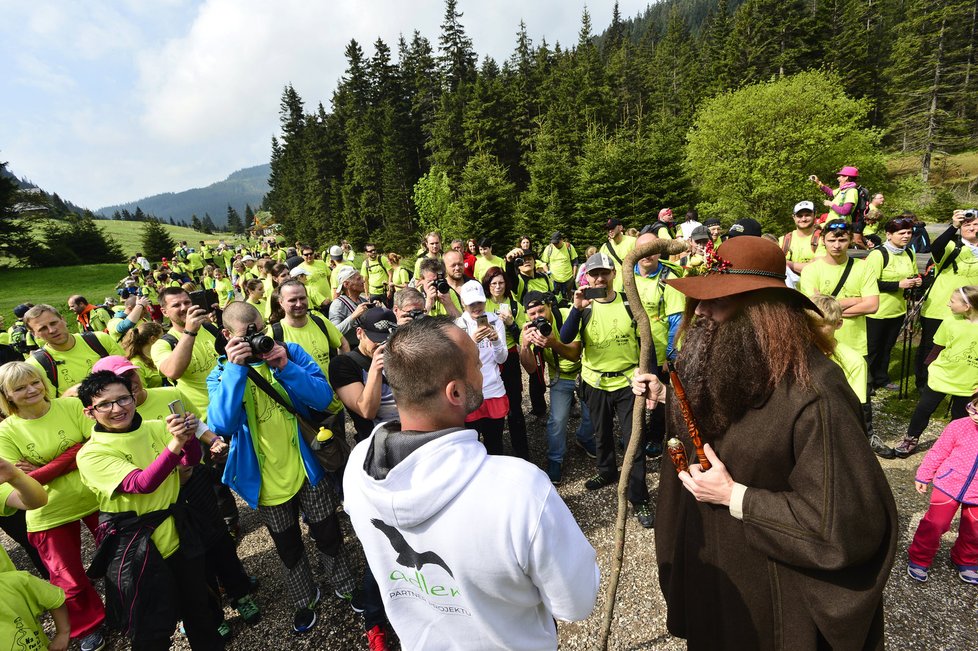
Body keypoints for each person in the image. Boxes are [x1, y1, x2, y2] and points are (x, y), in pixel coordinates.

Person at [636, 235, 897, 650]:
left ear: (762, 312)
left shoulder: (816, 394)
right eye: (699, 299)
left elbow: (844, 525)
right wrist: (668, 396)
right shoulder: (725, 363)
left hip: (772, 601)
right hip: (714, 580)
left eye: (717, 300)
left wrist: (737, 496)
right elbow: (728, 426)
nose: (700, 311)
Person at [343, 315, 600, 649]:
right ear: (455, 391)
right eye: (477, 365)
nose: (483, 372)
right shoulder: (519, 489)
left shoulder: (358, 467)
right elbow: (576, 603)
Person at [207, 302, 361, 633]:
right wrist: (235, 370)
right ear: (226, 336)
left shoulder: (288, 352)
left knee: (328, 532)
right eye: (245, 336)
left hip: (309, 468)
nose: (256, 340)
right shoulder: (221, 373)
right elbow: (221, 424)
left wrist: (285, 365)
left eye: (259, 331)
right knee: (287, 544)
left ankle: (346, 584)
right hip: (266, 480)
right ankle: (303, 598)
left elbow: (326, 400)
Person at [90, 356, 261, 630]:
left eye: (128, 375)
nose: (126, 385)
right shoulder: (113, 420)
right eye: (113, 384)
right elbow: (140, 480)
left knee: (218, 537)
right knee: (192, 551)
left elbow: (196, 426)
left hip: (193, 481)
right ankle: (209, 611)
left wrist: (211, 442)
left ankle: (239, 592)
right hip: (163, 497)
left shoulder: (168, 394)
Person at [75, 371, 226, 650]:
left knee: (200, 612)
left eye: (123, 399)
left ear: (134, 397)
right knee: (151, 629)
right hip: (134, 544)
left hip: (178, 533)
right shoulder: (91, 454)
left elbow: (189, 463)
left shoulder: (157, 427)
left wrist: (189, 438)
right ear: (89, 412)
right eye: (105, 404)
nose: (117, 409)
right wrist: (177, 442)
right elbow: (141, 484)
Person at [0, 363, 106, 651]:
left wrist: (40, 470)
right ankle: (88, 626)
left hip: (99, 494)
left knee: (123, 556)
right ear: (7, 395)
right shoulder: (5, 432)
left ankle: (134, 604)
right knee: (66, 576)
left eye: (35, 382)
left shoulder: (72, 406)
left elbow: (98, 442)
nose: (31, 390)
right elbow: (12, 481)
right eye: (20, 388)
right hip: (47, 512)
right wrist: (73, 453)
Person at [559, 252, 653, 529]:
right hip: (595, 382)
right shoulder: (583, 307)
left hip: (627, 383)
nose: (599, 278)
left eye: (604, 273)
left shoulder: (628, 303)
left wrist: (649, 378)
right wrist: (576, 308)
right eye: (594, 274)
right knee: (601, 434)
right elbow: (565, 339)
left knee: (633, 440)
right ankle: (607, 471)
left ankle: (639, 497)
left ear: (613, 274)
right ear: (587, 277)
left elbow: (646, 342)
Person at [519, 291, 595, 484]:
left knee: (591, 414)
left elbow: (575, 354)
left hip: (583, 371)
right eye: (533, 314)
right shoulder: (530, 329)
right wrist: (525, 347)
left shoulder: (568, 315)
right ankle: (555, 459)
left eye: (541, 311)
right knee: (557, 420)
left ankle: (584, 438)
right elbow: (529, 368)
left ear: (549, 306)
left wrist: (553, 343)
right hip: (559, 376)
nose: (538, 317)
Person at [896, 285, 978, 458]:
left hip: (969, 383)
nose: (948, 304)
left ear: (967, 306)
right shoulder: (949, 321)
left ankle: (955, 446)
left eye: (952, 301)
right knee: (924, 408)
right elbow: (937, 347)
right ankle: (910, 439)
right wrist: (928, 368)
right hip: (942, 376)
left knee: (961, 417)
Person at [906, 391, 978, 584]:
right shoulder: (958, 426)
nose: (976, 413)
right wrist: (924, 475)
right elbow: (938, 452)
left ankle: (966, 559)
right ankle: (919, 557)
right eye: (974, 406)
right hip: (948, 484)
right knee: (935, 524)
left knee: (975, 530)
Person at [810, 296, 895, 458]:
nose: (813, 331)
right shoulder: (795, 352)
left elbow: (856, 406)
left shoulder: (853, 361)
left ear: (838, 324)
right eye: (809, 324)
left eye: (821, 326)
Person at [915, 209, 978, 389]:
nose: (972, 227)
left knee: (962, 346)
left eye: (976, 224)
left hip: (970, 310)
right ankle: (923, 383)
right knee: (930, 347)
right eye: (967, 224)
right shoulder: (952, 246)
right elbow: (936, 248)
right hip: (940, 307)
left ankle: (954, 382)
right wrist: (953, 226)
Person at [798, 220, 879, 357]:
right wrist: (856, 300)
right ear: (823, 240)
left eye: (842, 240)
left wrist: (829, 309)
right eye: (831, 240)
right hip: (822, 342)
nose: (837, 245)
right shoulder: (810, 270)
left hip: (855, 344)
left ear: (851, 240)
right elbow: (815, 310)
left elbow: (872, 306)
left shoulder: (864, 267)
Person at [864, 216, 922, 391]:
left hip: (897, 310)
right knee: (872, 349)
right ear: (889, 235)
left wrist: (916, 281)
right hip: (876, 310)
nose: (906, 236)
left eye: (909, 233)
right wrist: (898, 285)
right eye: (901, 233)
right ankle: (867, 382)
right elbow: (869, 282)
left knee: (887, 347)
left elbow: (913, 274)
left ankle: (881, 378)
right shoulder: (878, 254)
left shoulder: (908, 252)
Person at [455, 281, 511, 456]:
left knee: (495, 444)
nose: (476, 307)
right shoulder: (458, 325)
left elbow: (502, 358)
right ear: (463, 303)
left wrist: (495, 341)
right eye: (471, 304)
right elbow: (457, 364)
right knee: (471, 446)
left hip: (494, 390)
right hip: (470, 393)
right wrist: (471, 342)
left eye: (479, 302)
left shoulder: (495, 320)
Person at [24, 305, 124, 398]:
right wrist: (69, 394)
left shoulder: (100, 340)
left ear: (63, 320)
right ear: (34, 334)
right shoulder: (35, 365)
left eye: (54, 323)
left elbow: (130, 374)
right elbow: (48, 407)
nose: (52, 330)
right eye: (43, 328)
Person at [482, 268, 530, 459]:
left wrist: (511, 323)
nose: (497, 287)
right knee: (489, 403)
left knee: (515, 404)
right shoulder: (482, 304)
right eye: (493, 283)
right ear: (487, 285)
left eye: (501, 283)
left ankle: (522, 453)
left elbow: (522, 338)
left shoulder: (515, 305)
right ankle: (494, 451)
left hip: (509, 356)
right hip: (487, 359)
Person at [329, 266, 371, 349]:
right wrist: (353, 316)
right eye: (358, 279)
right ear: (347, 284)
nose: (363, 281)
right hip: (351, 349)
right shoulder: (338, 304)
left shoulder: (362, 300)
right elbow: (334, 332)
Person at [779, 201, 823, 277]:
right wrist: (809, 263)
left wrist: (787, 263)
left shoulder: (823, 238)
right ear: (793, 217)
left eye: (807, 215)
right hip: (788, 288)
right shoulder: (783, 240)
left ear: (815, 215)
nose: (803, 219)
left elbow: (819, 267)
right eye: (799, 216)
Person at [121, 321, 166, 389]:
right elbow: (142, 391)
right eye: (162, 336)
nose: (165, 340)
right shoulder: (136, 364)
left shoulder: (159, 354)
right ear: (153, 339)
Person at [540, 231, 578, 301]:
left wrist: (574, 276)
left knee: (569, 300)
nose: (555, 244)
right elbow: (544, 263)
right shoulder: (549, 248)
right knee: (555, 300)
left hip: (568, 279)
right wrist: (547, 271)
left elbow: (575, 262)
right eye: (553, 243)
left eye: (556, 243)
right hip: (554, 280)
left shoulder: (569, 247)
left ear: (561, 240)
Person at [600, 218, 636, 290]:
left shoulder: (633, 242)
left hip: (630, 287)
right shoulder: (605, 247)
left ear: (620, 228)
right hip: (612, 289)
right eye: (608, 229)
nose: (610, 231)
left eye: (612, 228)